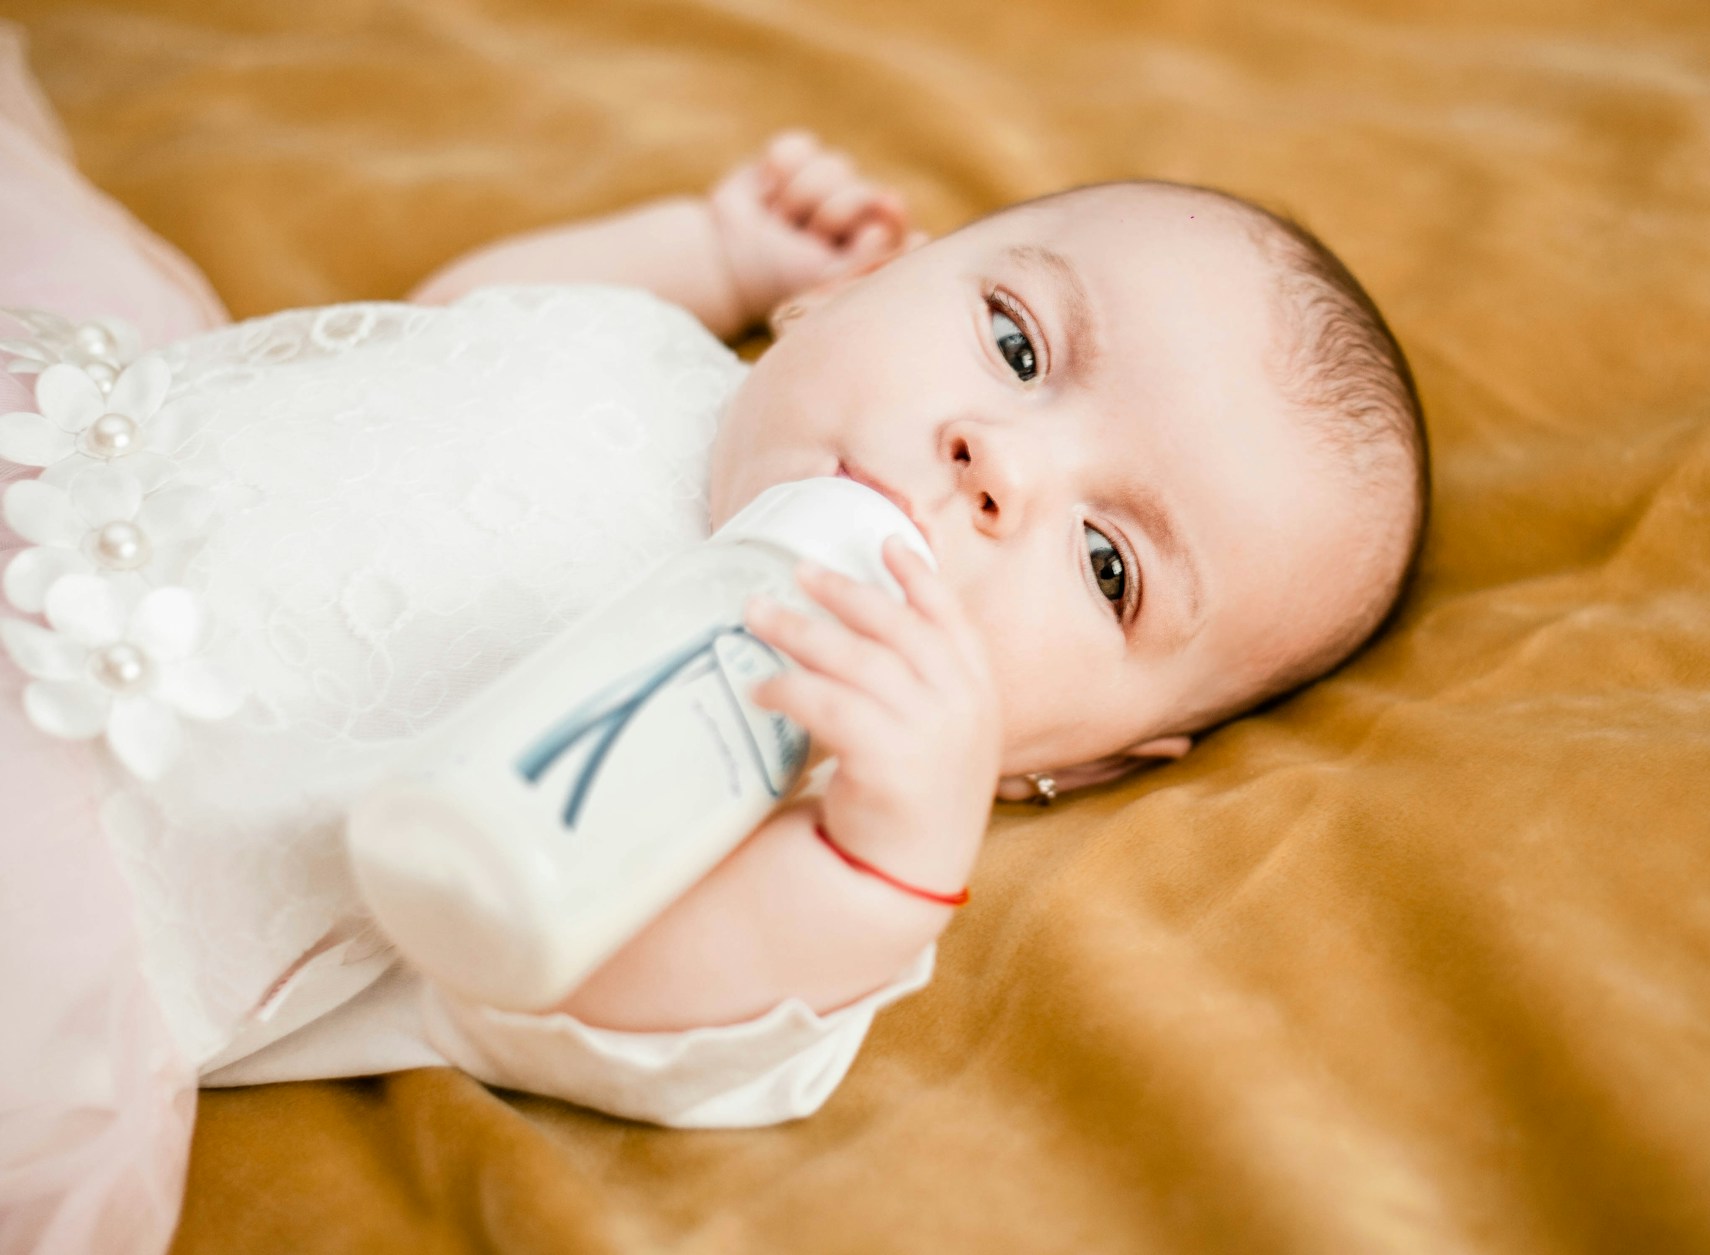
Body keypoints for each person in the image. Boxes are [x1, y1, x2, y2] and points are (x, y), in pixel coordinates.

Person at [0, 24, 1426, 1255]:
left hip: (72, 840)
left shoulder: (764, 746)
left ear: (1077, 768)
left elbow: (562, 976)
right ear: (850, 295)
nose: (998, 463)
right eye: (1014, 343)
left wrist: (882, 868)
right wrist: (711, 247)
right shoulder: (652, 351)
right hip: (85, 443)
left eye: (1107, 564)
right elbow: (442, 329)